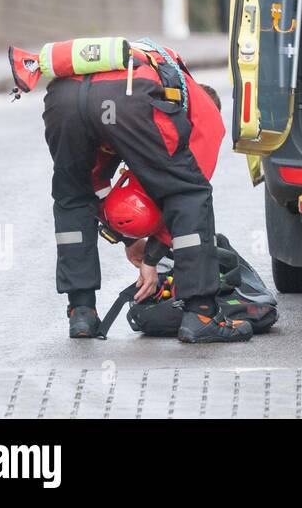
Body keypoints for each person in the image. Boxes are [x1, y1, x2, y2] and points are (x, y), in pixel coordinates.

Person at [41, 43, 252, 343]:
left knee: (73, 195)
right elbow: (186, 194)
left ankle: (82, 312)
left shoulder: (158, 75)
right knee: (190, 192)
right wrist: (151, 259)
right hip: (127, 96)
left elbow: (96, 183)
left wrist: (131, 240)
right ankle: (201, 314)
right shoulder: (203, 112)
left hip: (62, 98)